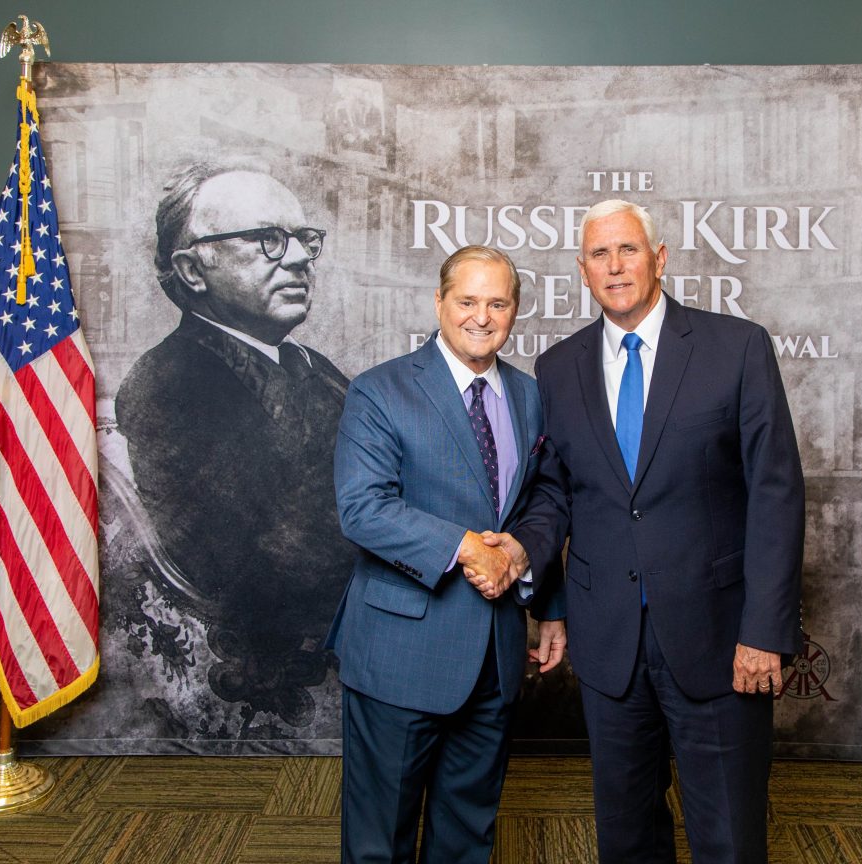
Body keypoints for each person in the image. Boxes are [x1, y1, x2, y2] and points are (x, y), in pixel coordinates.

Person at [507, 200, 805, 864]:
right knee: (627, 835)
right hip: (608, 640)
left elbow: (777, 494)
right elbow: (555, 494)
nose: (615, 266)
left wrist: (764, 632)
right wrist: (550, 603)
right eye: (599, 254)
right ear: (583, 270)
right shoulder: (557, 368)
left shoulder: (737, 347)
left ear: (659, 258)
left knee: (729, 837)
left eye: (629, 250)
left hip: (719, 638)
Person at [327, 246, 566, 864]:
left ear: (515, 310)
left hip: (495, 655)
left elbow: (546, 498)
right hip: (399, 653)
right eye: (467, 301)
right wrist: (466, 548)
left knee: (467, 836)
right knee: (380, 844)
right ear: (439, 303)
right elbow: (363, 509)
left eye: (497, 303)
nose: (481, 317)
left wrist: (530, 570)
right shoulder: (380, 390)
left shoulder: (530, 395)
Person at [115, 164, 353, 724]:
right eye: (268, 238)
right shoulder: (168, 384)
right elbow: (255, 562)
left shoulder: (313, 368)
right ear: (192, 269)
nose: (298, 258)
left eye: (304, 239)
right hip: (287, 667)